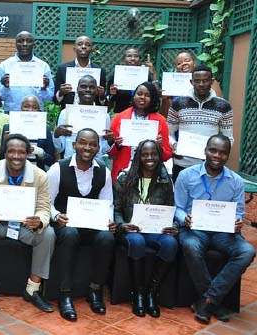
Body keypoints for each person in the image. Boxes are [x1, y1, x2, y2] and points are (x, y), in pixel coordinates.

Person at [0, 134, 55, 312]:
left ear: (28, 153)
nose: (16, 156)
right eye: (12, 152)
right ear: (5, 153)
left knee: (48, 234)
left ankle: (33, 289)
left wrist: (39, 222)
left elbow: (44, 209)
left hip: (25, 227)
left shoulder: (40, 176)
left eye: (21, 152)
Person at [175, 134, 255, 324]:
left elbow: (239, 212)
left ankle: (207, 300)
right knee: (191, 246)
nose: (217, 155)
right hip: (193, 229)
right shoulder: (186, 175)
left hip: (223, 233)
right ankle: (213, 302)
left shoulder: (235, 181)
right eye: (213, 150)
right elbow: (177, 207)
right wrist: (183, 218)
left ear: (227, 156)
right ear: (205, 151)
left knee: (247, 251)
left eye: (222, 152)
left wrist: (237, 221)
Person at [48, 129, 115, 321]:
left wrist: (108, 220)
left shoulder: (104, 171)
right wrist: (56, 215)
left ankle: (95, 289)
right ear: (74, 145)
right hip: (66, 224)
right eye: (83, 143)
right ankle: (65, 293)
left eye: (93, 144)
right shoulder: (57, 168)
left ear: (98, 147)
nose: (87, 147)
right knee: (69, 234)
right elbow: (47, 202)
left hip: (92, 225)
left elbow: (107, 203)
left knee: (107, 238)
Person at [113, 140, 178, 317]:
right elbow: (116, 209)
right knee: (136, 240)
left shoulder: (165, 180)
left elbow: (171, 209)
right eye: (145, 154)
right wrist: (122, 225)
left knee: (170, 243)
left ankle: (152, 292)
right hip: (130, 230)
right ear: (138, 156)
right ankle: (138, 293)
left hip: (156, 230)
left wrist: (173, 226)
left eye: (154, 154)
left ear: (159, 156)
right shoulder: (125, 178)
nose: (150, 158)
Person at [167, 65, 233, 181]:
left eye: (205, 80)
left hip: (210, 167)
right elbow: (169, 133)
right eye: (197, 81)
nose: (201, 84)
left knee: (207, 198)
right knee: (180, 198)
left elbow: (228, 139)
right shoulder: (178, 104)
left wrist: (217, 155)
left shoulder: (224, 106)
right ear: (191, 82)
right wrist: (174, 146)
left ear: (212, 81)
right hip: (182, 163)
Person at [109, 81, 172, 181]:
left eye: (147, 95)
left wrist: (159, 147)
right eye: (139, 94)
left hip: (150, 174)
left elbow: (167, 155)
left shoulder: (161, 121)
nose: (142, 97)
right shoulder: (119, 118)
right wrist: (117, 145)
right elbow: (110, 153)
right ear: (134, 96)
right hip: (123, 172)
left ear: (152, 99)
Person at [54, 75, 113, 160]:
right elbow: (60, 148)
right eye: (83, 87)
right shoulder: (65, 113)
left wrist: (109, 141)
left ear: (96, 91)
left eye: (92, 87)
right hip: (71, 162)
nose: (88, 90)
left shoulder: (104, 115)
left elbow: (103, 150)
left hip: (95, 163)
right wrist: (56, 135)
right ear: (77, 89)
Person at [0, 31, 54, 112]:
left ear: (34, 44)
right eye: (20, 41)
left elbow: (49, 98)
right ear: (15, 44)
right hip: (11, 113)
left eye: (28, 41)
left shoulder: (43, 66)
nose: (24, 44)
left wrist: (44, 89)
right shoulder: (5, 65)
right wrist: (5, 87)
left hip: (35, 115)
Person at [160, 52, 223, 116]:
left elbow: (220, 106)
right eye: (179, 63)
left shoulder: (209, 81)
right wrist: (165, 98)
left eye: (187, 60)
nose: (183, 64)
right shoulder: (171, 84)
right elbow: (165, 114)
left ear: (194, 63)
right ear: (177, 67)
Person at [1, 95, 56, 169]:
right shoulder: (9, 128)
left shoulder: (45, 129)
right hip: (12, 171)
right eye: (26, 106)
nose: (30, 110)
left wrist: (39, 152)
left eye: (34, 107)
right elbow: (1, 158)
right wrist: (6, 142)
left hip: (37, 173)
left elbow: (51, 160)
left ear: (39, 110)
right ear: (21, 108)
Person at [54, 35, 106, 109]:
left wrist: (102, 96)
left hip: (92, 114)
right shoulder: (63, 69)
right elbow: (55, 101)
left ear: (91, 49)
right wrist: (61, 93)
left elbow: (103, 103)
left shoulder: (100, 71)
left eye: (88, 45)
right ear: (74, 48)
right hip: (69, 112)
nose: (84, 46)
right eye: (80, 44)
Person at [107, 47, 157, 113]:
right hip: (121, 114)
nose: (133, 59)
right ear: (123, 60)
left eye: (136, 56)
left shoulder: (145, 76)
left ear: (139, 60)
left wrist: (154, 74)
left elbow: (155, 95)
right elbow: (109, 102)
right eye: (129, 56)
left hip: (142, 115)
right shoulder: (116, 76)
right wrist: (112, 94)